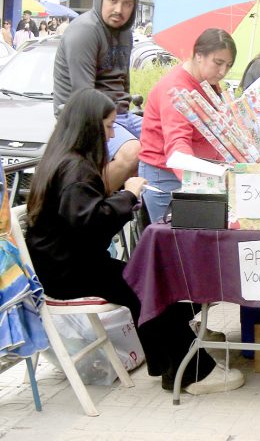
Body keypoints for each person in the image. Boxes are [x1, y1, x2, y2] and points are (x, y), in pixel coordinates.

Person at [25, 88, 244, 395]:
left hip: (64, 264)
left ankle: (166, 364)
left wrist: (123, 198)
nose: (113, 133)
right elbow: (90, 222)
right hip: (69, 270)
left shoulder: (63, 161)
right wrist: (128, 195)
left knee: (147, 284)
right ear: (90, 126)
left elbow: (83, 218)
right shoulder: (74, 168)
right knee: (150, 286)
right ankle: (193, 372)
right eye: (109, 127)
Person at [53, 0, 143, 194]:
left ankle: (152, 220)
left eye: (127, 4)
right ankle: (88, 202)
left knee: (164, 141)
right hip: (86, 117)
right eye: (113, 0)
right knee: (132, 152)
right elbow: (83, 94)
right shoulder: (85, 30)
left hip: (121, 114)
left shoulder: (126, 34)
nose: (119, 10)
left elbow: (124, 83)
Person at [138, 28, 237, 224]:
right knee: (174, 244)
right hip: (166, 176)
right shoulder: (175, 89)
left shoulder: (209, 84)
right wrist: (199, 186)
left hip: (198, 174)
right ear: (199, 56)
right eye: (218, 63)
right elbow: (177, 144)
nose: (223, 72)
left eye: (229, 65)